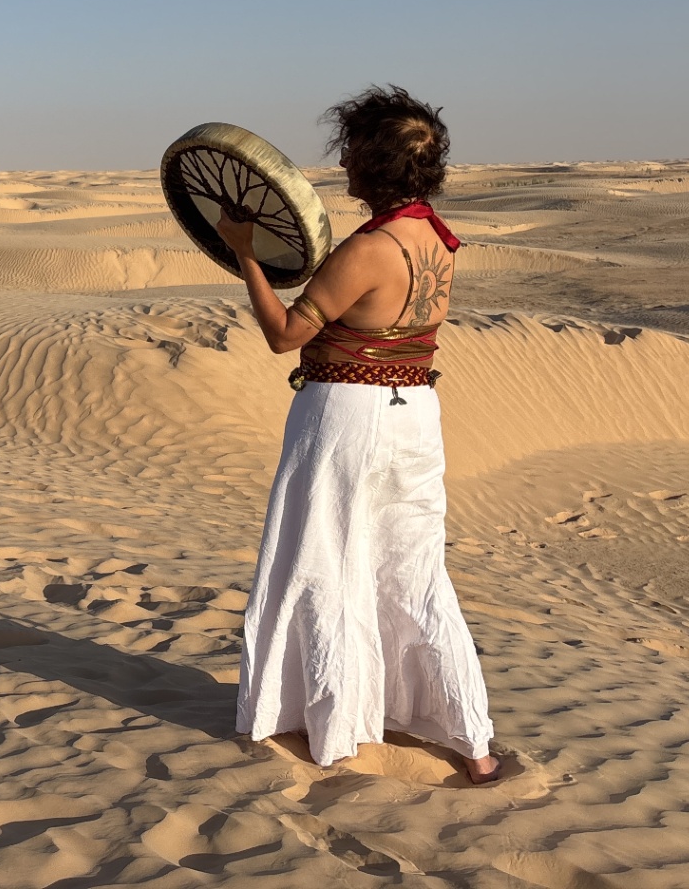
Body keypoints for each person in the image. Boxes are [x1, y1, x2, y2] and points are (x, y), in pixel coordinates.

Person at [214, 85, 499, 784]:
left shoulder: (369, 248)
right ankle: (474, 743)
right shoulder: (438, 239)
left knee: (325, 559)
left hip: (346, 418)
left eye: (350, 151)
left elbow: (286, 335)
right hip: (416, 419)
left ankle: (335, 728)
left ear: (371, 164)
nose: (342, 162)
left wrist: (244, 255)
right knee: (414, 570)